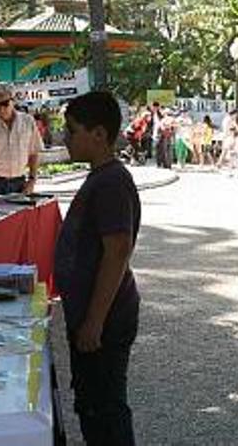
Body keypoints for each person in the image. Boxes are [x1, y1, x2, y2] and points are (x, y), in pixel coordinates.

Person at [54, 91, 140, 444]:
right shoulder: (101, 178)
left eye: (72, 131)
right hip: (95, 313)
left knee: (104, 409)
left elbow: (117, 251)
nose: (65, 138)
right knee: (92, 404)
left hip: (106, 317)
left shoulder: (111, 182)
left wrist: (94, 321)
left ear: (99, 134)